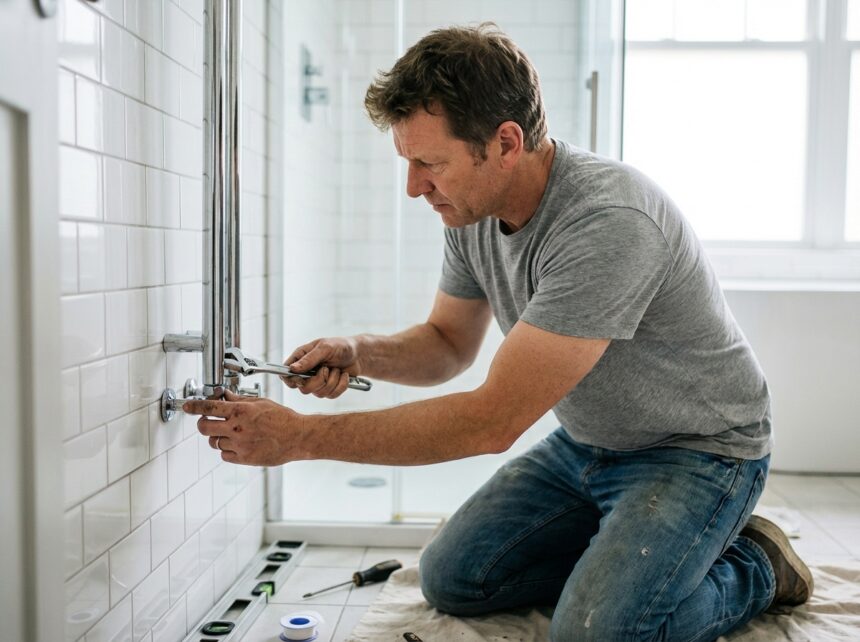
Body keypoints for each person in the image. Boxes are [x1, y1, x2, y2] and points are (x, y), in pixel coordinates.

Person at [184, 23, 813, 641]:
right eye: (408, 163)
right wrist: (357, 351)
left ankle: (756, 565)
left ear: (506, 142)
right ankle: (627, 557)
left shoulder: (608, 222)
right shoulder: (470, 211)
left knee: (598, 635)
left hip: (699, 451)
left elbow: (492, 422)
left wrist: (300, 438)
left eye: (430, 163)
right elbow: (447, 344)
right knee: (453, 580)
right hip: (589, 444)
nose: (413, 187)